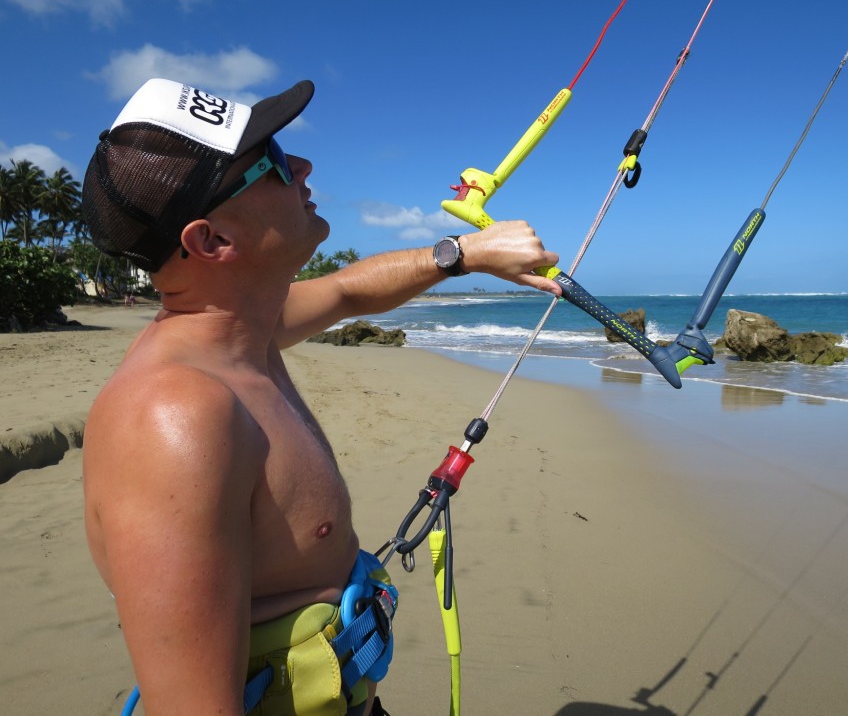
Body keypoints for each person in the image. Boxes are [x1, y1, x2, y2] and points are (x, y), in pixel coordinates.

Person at [81, 78, 561, 716]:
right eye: (274, 162)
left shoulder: (242, 330)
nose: (304, 165)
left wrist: (465, 253)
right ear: (211, 241)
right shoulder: (176, 418)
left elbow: (347, 291)